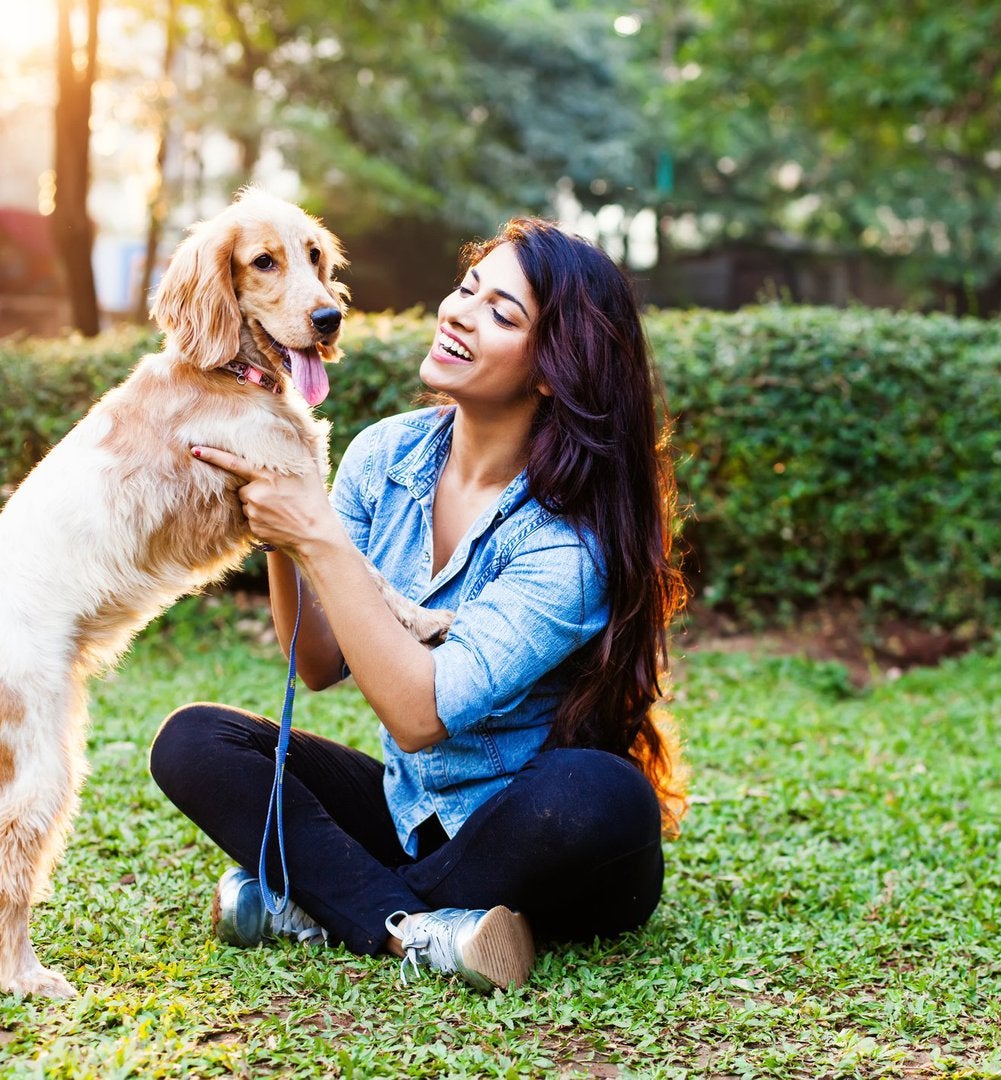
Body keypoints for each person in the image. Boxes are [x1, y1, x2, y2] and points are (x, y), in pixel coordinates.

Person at [149, 217, 688, 992]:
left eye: (502, 314)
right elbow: (318, 660)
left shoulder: (570, 543)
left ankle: (330, 908)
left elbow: (420, 715)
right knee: (195, 740)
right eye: (468, 289)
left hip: (532, 831)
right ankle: (423, 929)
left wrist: (319, 535)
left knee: (602, 793)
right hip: (411, 816)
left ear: (552, 370)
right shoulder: (384, 455)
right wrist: (278, 521)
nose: (460, 313)